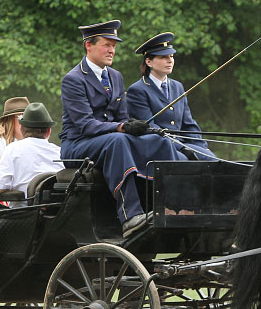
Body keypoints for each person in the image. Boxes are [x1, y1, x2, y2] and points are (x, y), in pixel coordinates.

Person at [59, 19, 187, 237]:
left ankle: (172, 206)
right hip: (78, 145)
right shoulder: (73, 79)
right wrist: (122, 127)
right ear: (88, 45)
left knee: (160, 140)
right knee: (117, 141)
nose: (112, 50)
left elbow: (123, 117)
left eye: (114, 46)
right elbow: (85, 125)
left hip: (109, 139)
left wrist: (138, 128)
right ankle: (130, 215)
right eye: (107, 45)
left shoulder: (115, 77)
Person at [126, 32, 216, 160]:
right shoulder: (138, 90)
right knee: (186, 164)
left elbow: (189, 124)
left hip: (183, 146)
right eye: (163, 57)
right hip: (158, 148)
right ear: (149, 62)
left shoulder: (177, 87)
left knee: (215, 162)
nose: (170, 60)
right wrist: (182, 148)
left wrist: (202, 147)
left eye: (171, 56)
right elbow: (149, 128)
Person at [0, 102, 62, 203]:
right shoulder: (60, 152)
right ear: (49, 131)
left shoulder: (12, 149)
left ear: (22, 129)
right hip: (57, 214)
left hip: (21, 215)